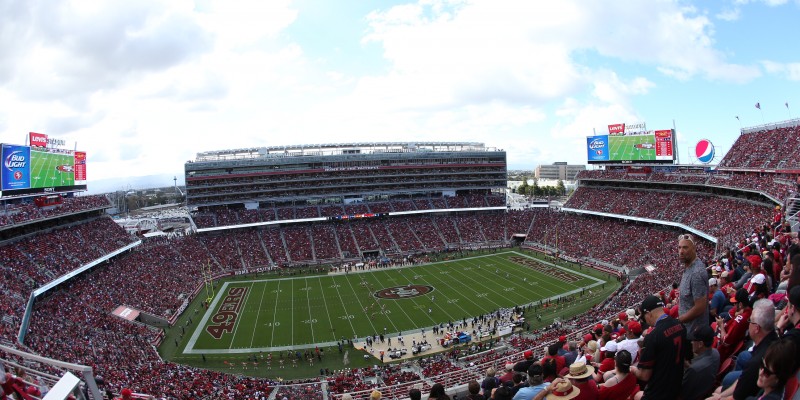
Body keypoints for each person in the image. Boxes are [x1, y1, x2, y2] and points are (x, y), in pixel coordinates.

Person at [711, 299, 779, 400]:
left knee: (718, 390)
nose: (748, 324)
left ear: (757, 328)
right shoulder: (773, 337)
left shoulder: (756, 364)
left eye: (750, 321)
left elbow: (736, 397)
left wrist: (719, 398)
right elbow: (742, 379)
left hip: (748, 393)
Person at [631, 295, 688, 400]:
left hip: (659, 391)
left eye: (644, 317)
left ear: (648, 314)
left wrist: (633, 369)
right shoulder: (680, 324)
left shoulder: (653, 336)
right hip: (677, 384)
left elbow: (644, 375)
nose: (645, 321)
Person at [677, 233, 709, 340]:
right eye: (679, 247)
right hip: (689, 329)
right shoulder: (689, 266)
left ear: (694, 248)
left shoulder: (696, 273)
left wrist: (679, 320)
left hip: (694, 335)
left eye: (685, 247)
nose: (681, 251)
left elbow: (700, 307)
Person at [681, 325, 720, 400]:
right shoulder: (716, 353)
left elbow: (682, 394)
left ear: (700, 344)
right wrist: (687, 364)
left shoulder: (694, 369)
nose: (691, 342)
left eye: (693, 340)